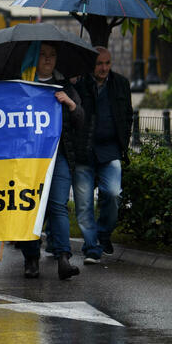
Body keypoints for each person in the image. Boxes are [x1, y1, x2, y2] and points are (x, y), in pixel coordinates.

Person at [18, 42, 83, 280]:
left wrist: (70, 103)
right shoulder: (23, 84)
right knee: (31, 208)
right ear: (35, 59)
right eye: (43, 55)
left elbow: (80, 119)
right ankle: (31, 259)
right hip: (29, 158)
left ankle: (64, 258)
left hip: (59, 155)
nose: (48, 59)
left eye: (52, 55)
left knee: (58, 205)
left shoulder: (64, 85)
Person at [72, 47, 132, 263]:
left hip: (110, 151)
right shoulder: (79, 84)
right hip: (84, 151)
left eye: (107, 63)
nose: (104, 68)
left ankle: (103, 235)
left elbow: (127, 115)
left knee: (113, 193)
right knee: (84, 204)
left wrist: (123, 139)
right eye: (99, 63)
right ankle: (91, 248)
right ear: (91, 65)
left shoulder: (121, 84)